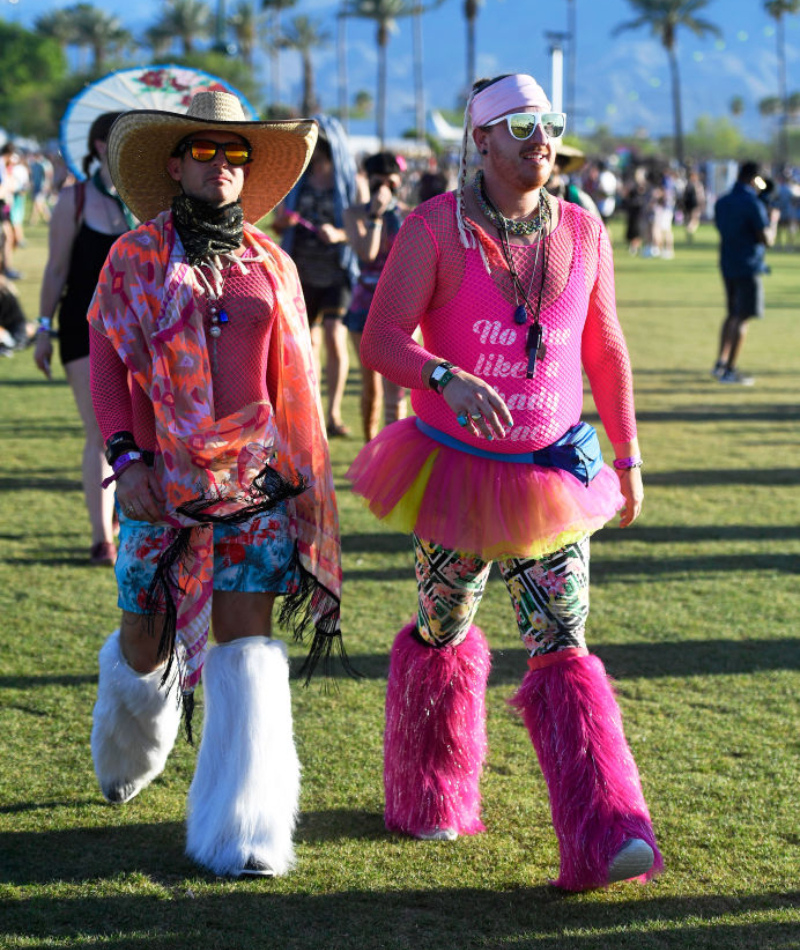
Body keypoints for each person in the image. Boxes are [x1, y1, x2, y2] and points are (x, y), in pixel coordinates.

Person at [347, 73, 662, 891]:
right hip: (454, 472)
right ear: (479, 139)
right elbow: (381, 339)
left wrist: (626, 457)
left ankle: (608, 832)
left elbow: (607, 352)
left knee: (563, 640)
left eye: (549, 123)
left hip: (552, 475)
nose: (540, 139)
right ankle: (428, 793)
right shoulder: (432, 230)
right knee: (443, 625)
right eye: (520, 125)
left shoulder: (585, 231)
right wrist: (444, 376)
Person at [86, 91, 344, 878]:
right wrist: (127, 461)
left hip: (256, 484)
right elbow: (105, 365)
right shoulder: (134, 257)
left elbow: (290, 379)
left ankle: (245, 831)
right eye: (207, 152)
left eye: (236, 156)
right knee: (145, 640)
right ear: (174, 164)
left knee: (247, 651)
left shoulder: (273, 263)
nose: (224, 167)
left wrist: (299, 482)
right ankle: (131, 725)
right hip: (161, 482)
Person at [33, 113, 134, 566]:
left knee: (138, 429)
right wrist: (40, 329)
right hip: (81, 326)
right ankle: (101, 538)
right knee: (100, 431)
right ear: (98, 146)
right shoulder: (74, 201)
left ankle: (119, 516)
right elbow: (55, 270)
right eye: (119, 140)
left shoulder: (144, 200)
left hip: (139, 330)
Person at [273, 116, 361, 437]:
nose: (317, 157)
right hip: (301, 272)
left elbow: (361, 235)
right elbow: (278, 226)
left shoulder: (349, 182)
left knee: (336, 340)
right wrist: (287, 222)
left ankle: (334, 413)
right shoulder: (298, 180)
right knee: (306, 344)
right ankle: (310, 411)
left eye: (321, 150)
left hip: (337, 271)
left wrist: (337, 235)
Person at [344, 152, 408, 441]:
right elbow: (366, 253)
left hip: (401, 304)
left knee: (398, 383)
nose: (383, 189)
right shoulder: (354, 213)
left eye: (390, 183)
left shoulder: (411, 214)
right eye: (376, 182)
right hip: (364, 303)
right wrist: (375, 216)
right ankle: (371, 447)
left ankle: (396, 449)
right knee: (370, 384)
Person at [712, 161, 780, 385]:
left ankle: (720, 363)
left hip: (727, 263)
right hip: (748, 265)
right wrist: (774, 222)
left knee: (732, 313)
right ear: (754, 179)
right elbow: (766, 239)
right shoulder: (752, 203)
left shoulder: (722, 201)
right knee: (743, 316)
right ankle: (730, 370)